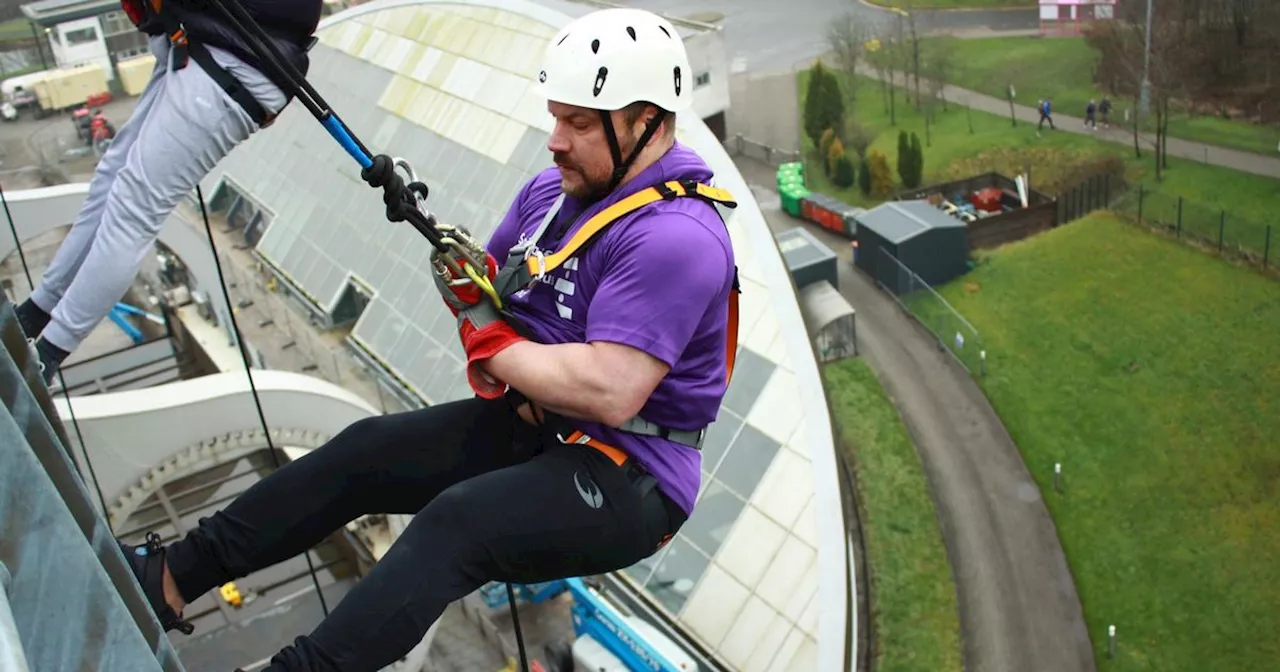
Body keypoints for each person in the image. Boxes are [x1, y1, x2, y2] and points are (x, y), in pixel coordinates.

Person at [117, 7, 738, 671]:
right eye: (556, 116)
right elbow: (490, 297)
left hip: (632, 474)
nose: (555, 140)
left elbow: (610, 390)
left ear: (647, 122)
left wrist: (492, 344)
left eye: (579, 124)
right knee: (364, 454)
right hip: (542, 426)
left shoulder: (677, 237)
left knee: (457, 525)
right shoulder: (549, 196)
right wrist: (468, 292)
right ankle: (172, 576)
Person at [13, 0, 322, 383]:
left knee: (133, 211)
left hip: (229, 67)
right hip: (208, 53)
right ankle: (34, 313)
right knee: (111, 184)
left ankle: (46, 357)